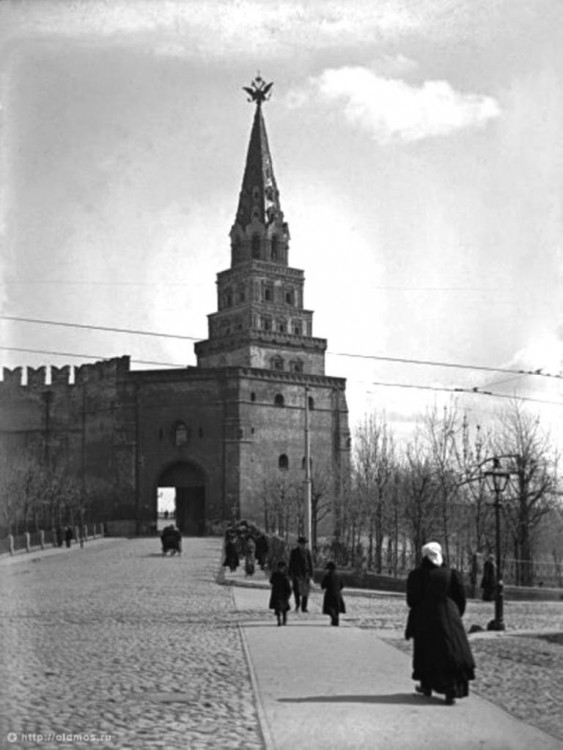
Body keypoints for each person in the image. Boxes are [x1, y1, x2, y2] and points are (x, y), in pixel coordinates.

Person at [406, 541, 475, 706]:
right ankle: (451, 689)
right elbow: (460, 598)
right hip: (450, 616)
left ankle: (427, 685)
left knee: (426, 652)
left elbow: (412, 600)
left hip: (425, 617)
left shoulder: (416, 575)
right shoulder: (451, 574)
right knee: (450, 651)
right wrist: (456, 615)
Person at [288, 536, 313, 612]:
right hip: (297, 575)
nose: (303, 545)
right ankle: (297, 605)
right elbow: (291, 563)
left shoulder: (307, 552)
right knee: (296, 591)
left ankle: (304, 607)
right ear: (299, 544)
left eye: (304, 544)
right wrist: (290, 574)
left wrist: (311, 575)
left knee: (305, 592)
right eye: (302, 543)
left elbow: (310, 563)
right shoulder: (294, 552)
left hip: (305, 575)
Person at [321, 561, 345, 626]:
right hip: (337, 594)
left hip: (329, 593)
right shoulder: (339, 575)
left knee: (330, 607)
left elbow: (323, 585)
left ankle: (334, 619)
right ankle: (336, 620)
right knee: (337, 608)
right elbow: (342, 585)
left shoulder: (327, 575)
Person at [269, 560, 292, 626]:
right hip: (279, 593)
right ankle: (279, 621)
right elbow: (271, 581)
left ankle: (284, 620)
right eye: (281, 567)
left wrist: (289, 592)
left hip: (282, 593)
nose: (281, 569)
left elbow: (287, 585)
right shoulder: (280, 575)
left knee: (283, 609)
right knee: (279, 608)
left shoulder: (283, 576)